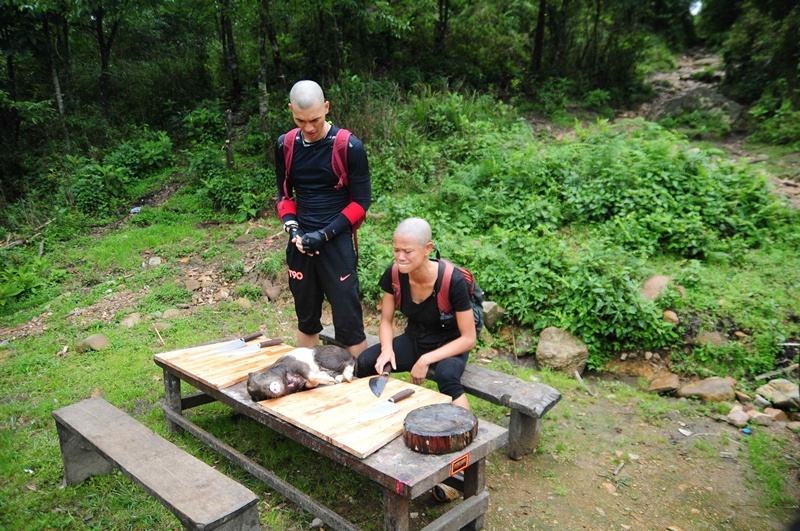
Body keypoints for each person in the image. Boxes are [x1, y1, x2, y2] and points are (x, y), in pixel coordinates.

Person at [275, 80, 371, 358]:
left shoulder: (349, 146)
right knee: (306, 320)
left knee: (349, 325)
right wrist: (293, 228)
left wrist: (325, 234)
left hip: (336, 242)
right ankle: (305, 376)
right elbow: (284, 195)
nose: (309, 127)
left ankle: (360, 381)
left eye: (315, 119)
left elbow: (361, 203)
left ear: (326, 107)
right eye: (300, 120)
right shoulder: (285, 145)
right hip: (301, 243)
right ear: (291, 110)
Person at [356, 217, 476, 410]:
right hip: (414, 338)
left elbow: (469, 339)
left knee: (446, 375)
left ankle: (466, 425)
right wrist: (387, 349)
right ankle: (369, 414)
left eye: (408, 251)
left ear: (427, 248)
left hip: (448, 344)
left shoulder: (452, 281)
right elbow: (386, 321)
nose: (400, 257)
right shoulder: (394, 274)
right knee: (366, 361)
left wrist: (426, 359)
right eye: (396, 250)